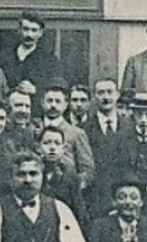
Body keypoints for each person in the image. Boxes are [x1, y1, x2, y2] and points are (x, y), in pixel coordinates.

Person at [39, 81, 96, 192]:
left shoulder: (76, 133)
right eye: (49, 101)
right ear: (42, 103)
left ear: (65, 105)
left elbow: (88, 171)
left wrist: (73, 186)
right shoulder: (34, 129)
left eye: (58, 101)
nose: (53, 105)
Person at [84, 77, 129, 210]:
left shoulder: (130, 127)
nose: (106, 97)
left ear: (117, 95)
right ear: (94, 97)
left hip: (124, 197)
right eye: (101, 93)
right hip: (95, 198)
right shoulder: (84, 129)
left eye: (110, 92)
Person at [36, 124, 90, 229]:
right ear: (38, 147)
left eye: (57, 143)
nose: (52, 147)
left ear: (63, 148)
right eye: (47, 143)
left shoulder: (70, 176)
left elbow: (79, 211)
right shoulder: (32, 173)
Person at [0, 13, 63, 92]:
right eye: (26, 29)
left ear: (40, 33)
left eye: (34, 30)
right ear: (19, 30)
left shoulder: (49, 60)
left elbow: (55, 87)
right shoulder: (4, 56)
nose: (29, 34)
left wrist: (36, 89)